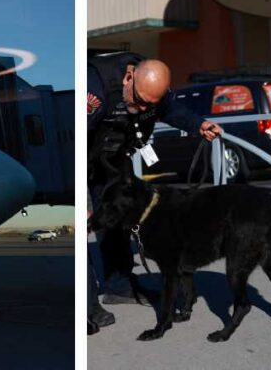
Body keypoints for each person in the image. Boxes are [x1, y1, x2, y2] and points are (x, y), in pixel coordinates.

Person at [86, 52, 222, 332]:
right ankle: (86, 306)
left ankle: (119, 286)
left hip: (113, 160)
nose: (141, 108)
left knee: (120, 218)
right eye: (138, 100)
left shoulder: (152, 88)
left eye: (149, 104)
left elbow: (172, 111)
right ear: (128, 77)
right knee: (82, 224)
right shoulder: (96, 88)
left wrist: (199, 124)